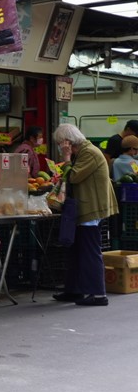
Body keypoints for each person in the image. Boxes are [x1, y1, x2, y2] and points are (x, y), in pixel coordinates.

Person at [51, 123, 119, 307]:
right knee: (76, 251)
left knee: (89, 251)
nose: (60, 147)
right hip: (83, 208)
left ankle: (98, 294)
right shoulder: (82, 153)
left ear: (68, 142)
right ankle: (75, 290)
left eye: (61, 143)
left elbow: (73, 177)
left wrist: (66, 157)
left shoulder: (89, 153)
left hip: (91, 209)